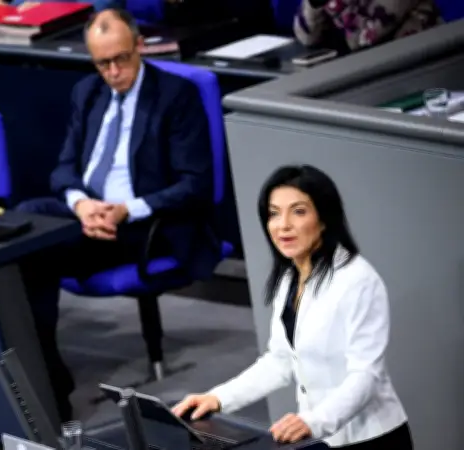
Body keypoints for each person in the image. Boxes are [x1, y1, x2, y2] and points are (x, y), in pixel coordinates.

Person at [16, 8, 214, 420]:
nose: (113, 72)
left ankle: (47, 389)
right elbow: (64, 169)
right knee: (24, 221)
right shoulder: (87, 92)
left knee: (32, 253)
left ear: (139, 46)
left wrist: (126, 210)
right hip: (88, 217)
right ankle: (44, 378)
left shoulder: (175, 96)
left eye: (121, 59)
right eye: (102, 63)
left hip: (144, 225)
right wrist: (81, 205)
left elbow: (195, 184)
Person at [172, 165, 413, 449]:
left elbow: (366, 375)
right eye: (274, 213)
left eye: (298, 212)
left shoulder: (358, 280)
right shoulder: (290, 276)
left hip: (370, 438)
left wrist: (314, 421)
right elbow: (281, 360)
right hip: (319, 437)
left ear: (324, 219)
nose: (283, 225)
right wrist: (219, 398)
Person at [294, 0, 442, 52]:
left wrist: (334, 5)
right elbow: (307, 37)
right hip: (367, 67)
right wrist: (314, 4)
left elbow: (362, 38)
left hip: (418, 61)